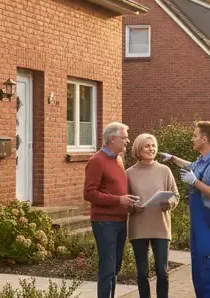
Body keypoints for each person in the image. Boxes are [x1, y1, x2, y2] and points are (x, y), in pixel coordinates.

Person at [160, 121, 210, 298]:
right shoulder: (202, 160)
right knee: (198, 273)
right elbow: (192, 167)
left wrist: (195, 182)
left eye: (195, 135)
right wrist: (173, 159)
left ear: (204, 139)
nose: (192, 139)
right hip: (199, 225)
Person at [83, 122, 141, 298]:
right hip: (104, 222)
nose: (128, 141)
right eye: (124, 138)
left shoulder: (118, 159)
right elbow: (89, 193)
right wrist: (118, 200)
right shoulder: (97, 161)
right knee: (107, 268)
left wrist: (130, 201)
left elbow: (118, 189)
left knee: (115, 267)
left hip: (120, 220)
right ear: (113, 139)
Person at [125, 133, 179, 298]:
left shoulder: (164, 170)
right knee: (142, 272)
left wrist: (169, 203)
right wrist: (133, 206)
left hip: (160, 227)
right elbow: (125, 202)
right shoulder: (129, 173)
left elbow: (175, 195)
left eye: (153, 145)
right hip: (138, 228)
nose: (151, 149)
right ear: (138, 150)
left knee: (162, 271)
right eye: (147, 146)